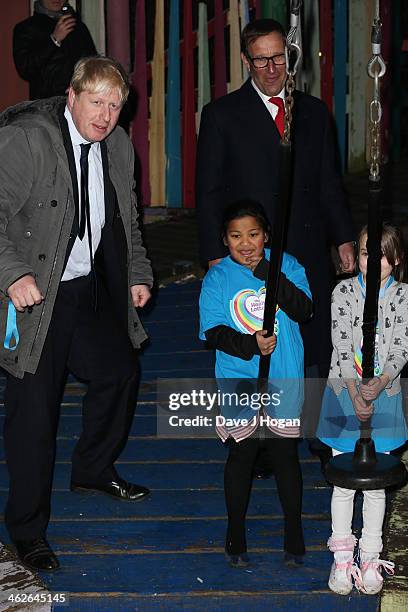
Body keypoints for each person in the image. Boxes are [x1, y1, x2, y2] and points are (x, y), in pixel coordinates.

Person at [0, 56, 153, 572]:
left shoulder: (117, 147)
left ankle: (91, 467)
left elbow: (128, 221)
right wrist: (12, 273)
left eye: (115, 105)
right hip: (35, 298)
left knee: (120, 371)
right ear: (71, 96)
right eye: (96, 101)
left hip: (86, 292)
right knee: (34, 420)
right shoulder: (28, 141)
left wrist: (138, 273)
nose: (106, 115)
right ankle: (27, 531)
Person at [196, 19, 355, 465]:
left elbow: (329, 182)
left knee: (319, 344)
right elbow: (208, 192)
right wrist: (214, 254)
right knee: (260, 344)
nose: (272, 68)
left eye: (279, 57)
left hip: (306, 246)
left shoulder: (315, 112)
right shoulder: (222, 115)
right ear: (246, 61)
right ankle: (262, 440)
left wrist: (342, 238)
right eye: (261, 59)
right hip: (250, 256)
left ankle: (324, 438)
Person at [199, 201, 312, 568]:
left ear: (266, 236)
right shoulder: (217, 277)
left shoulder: (288, 265)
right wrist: (251, 344)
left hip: (283, 374)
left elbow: (303, 310)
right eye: (235, 236)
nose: (245, 243)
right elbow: (213, 332)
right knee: (242, 455)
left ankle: (294, 536)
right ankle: (235, 535)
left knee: (283, 456)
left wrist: (269, 272)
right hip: (238, 377)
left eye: (253, 234)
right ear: (225, 240)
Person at [318, 223, 408, 595]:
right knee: (343, 482)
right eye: (369, 253)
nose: (377, 261)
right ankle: (342, 556)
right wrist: (355, 392)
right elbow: (340, 346)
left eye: (385, 254)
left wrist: (382, 382)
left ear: (397, 259)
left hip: (384, 396)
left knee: (375, 486)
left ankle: (370, 553)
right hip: (343, 393)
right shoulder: (343, 292)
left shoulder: (403, 296)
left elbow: (402, 347)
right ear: (358, 255)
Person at [13, 0, 96, 100]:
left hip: (78, 100)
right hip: (46, 105)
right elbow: (25, 69)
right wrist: (54, 40)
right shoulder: (25, 28)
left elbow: (93, 64)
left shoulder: (78, 27)